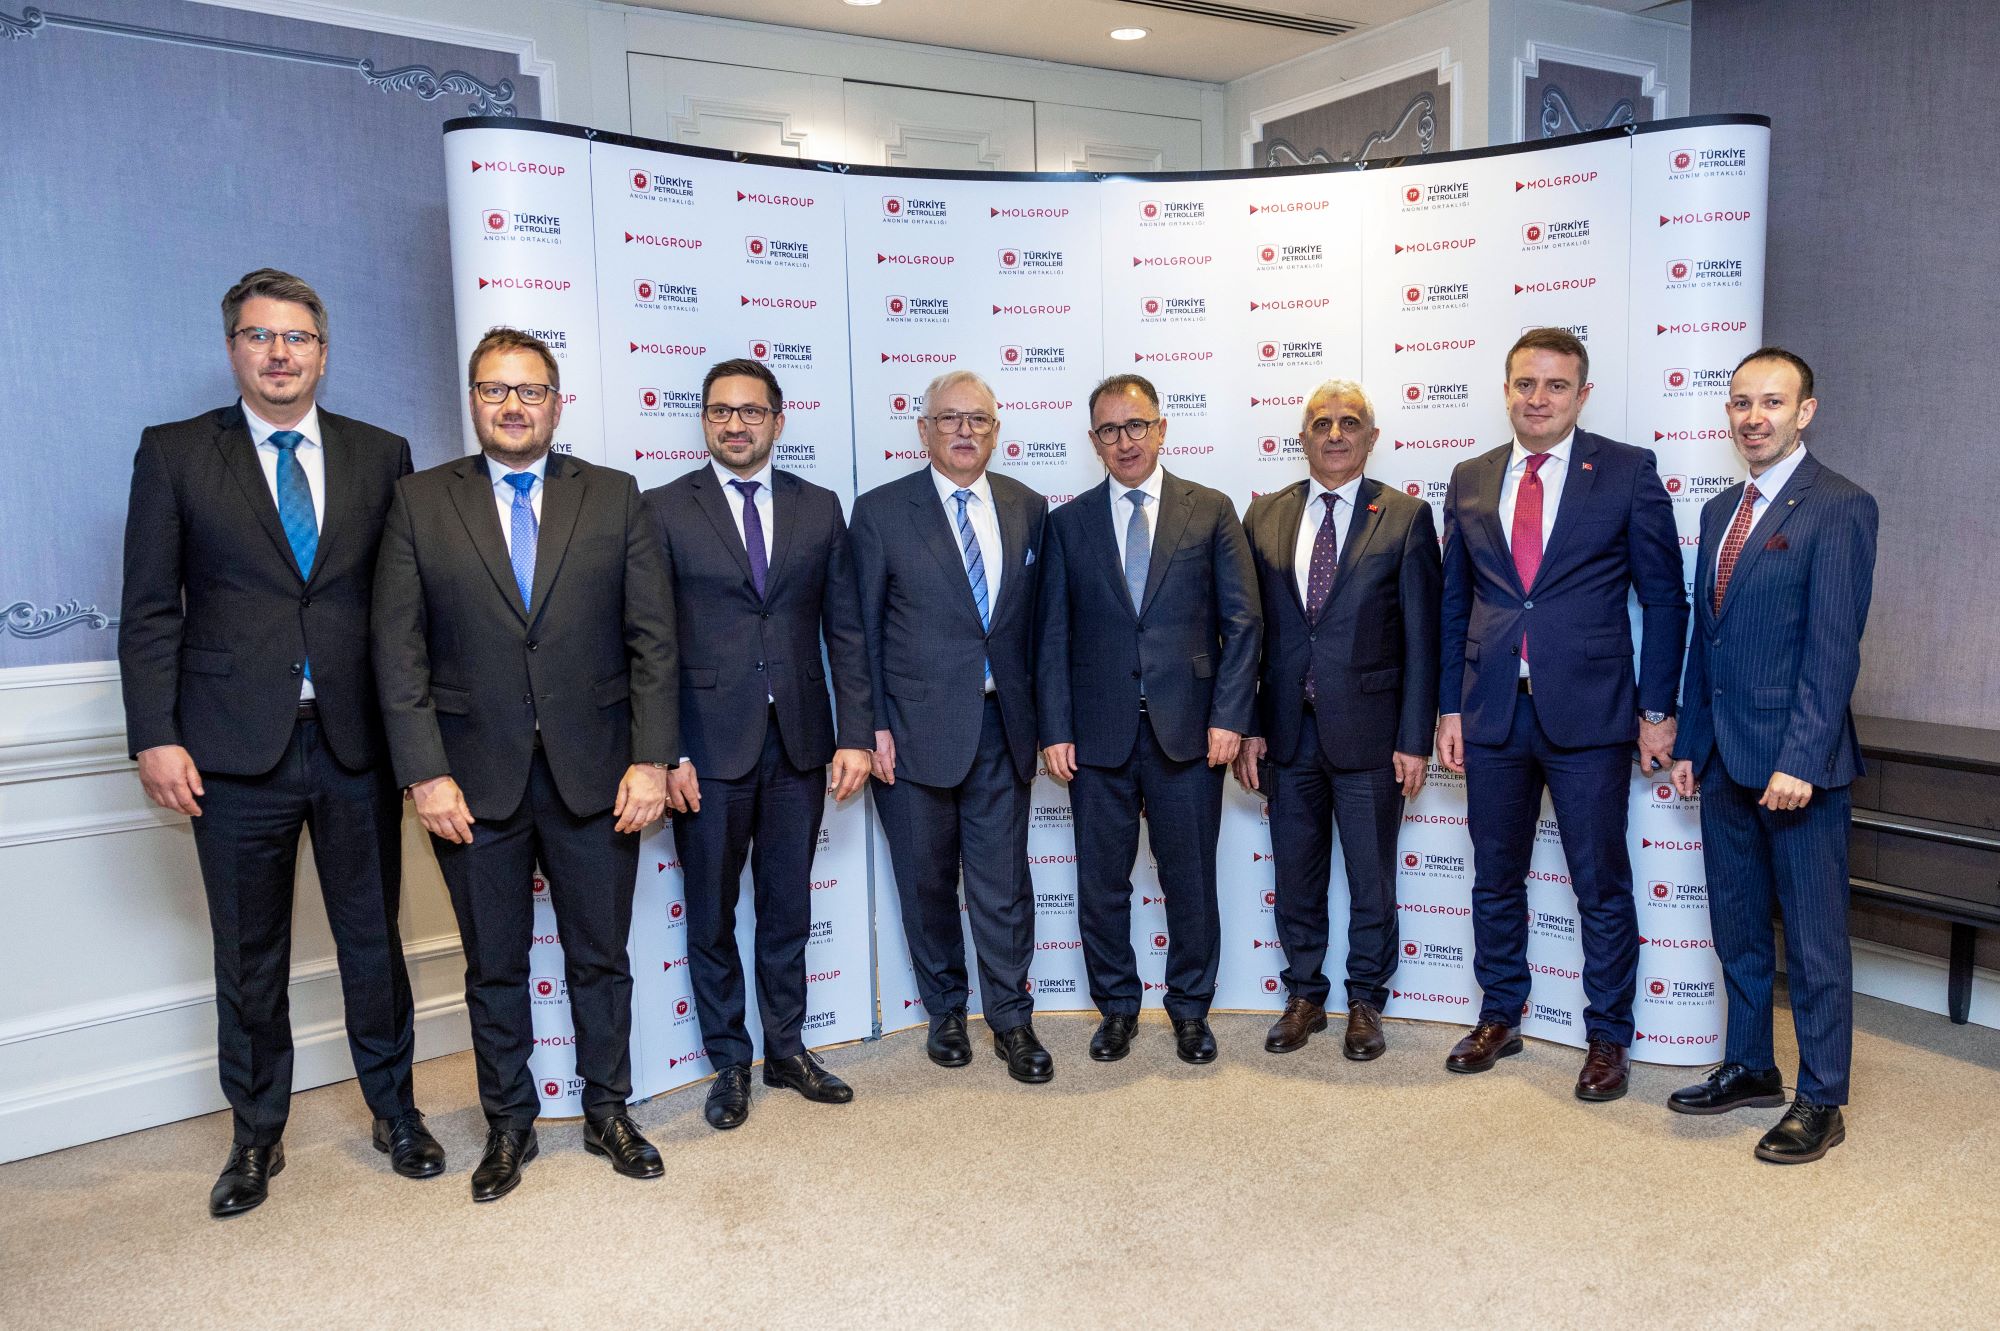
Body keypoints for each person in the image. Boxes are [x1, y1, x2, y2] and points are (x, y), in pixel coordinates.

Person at [119, 268, 437, 1217]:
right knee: (249, 955)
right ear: (233, 349)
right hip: (229, 752)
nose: (280, 353)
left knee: (373, 942)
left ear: (323, 354)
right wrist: (155, 734)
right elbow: (149, 609)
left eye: (297, 337)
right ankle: (257, 1134)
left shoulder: (381, 454)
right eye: (260, 336)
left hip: (354, 744)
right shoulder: (175, 453)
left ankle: (396, 1112)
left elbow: (405, 608)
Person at [372, 327, 675, 1201]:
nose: (513, 405)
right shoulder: (419, 501)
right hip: (469, 782)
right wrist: (424, 772)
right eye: (495, 390)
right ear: (473, 401)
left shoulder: (614, 495)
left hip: (598, 774)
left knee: (601, 958)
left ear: (556, 402)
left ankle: (608, 1109)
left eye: (530, 390)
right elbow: (398, 650)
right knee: (494, 965)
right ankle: (509, 1122)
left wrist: (651, 759)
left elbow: (654, 640)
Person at [1436, 327, 1687, 1100]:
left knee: (1600, 885)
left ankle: (1608, 1035)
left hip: (1592, 714)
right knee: (1494, 878)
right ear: (1506, 389)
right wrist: (1448, 706)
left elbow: (1664, 599)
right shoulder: (1471, 476)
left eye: (1554, 385)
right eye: (1525, 383)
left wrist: (1657, 708)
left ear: (1582, 394)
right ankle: (1499, 1015)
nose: (1537, 398)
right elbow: (1454, 603)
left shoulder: (1626, 471)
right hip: (1493, 713)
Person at [643, 358, 873, 1130]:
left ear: (778, 419)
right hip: (705, 750)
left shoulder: (819, 506)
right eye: (720, 411)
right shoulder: (663, 508)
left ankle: (787, 1047)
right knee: (710, 914)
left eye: (750, 411)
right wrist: (667, 750)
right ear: (704, 421)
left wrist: (854, 735)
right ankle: (729, 1063)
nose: (734, 424)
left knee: (787, 907)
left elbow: (846, 630)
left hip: (800, 742)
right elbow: (652, 643)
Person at [1668, 347, 1877, 1164]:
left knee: (1815, 944)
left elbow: (1833, 649)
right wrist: (1691, 743)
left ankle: (1822, 1097)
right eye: (1741, 402)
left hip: (1798, 769)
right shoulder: (1722, 508)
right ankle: (1752, 1063)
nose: (1753, 417)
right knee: (1740, 928)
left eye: (1772, 402)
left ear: (1805, 411)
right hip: (1723, 759)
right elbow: (1707, 640)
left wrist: (1802, 757)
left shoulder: (1840, 505)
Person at [1037, 374, 1259, 1064]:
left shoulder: (1210, 509)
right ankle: (1117, 1008)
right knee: (1101, 884)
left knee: (1189, 879)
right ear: (1094, 441)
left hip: (1189, 733)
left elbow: (1243, 623)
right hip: (1096, 736)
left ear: (1161, 429)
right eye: (1110, 430)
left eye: (1136, 425)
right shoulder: (1067, 523)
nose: (1125, 441)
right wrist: (1055, 727)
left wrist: (1230, 715)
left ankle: (1190, 1009)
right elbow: (1051, 636)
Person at [850, 370, 1053, 1083]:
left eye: (979, 420)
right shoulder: (880, 511)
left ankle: (1012, 1019)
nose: (965, 431)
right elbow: (858, 630)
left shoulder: (1028, 507)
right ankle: (945, 1011)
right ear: (924, 429)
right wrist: (869, 726)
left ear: (996, 431)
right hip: (908, 733)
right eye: (949, 418)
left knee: (1004, 885)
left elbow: (1043, 628)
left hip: (1004, 726)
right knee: (926, 881)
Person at [1233, 380, 1441, 1061]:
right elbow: (1249, 634)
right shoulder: (1264, 515)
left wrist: (1414, 738)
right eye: (1321, 422)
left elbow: (1423, 639)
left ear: (1371, 438)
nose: (1334, 434)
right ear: (1302, 436)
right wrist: (1250, 723)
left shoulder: (1405, 517)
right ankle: (1304, 995)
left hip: (1373, 736)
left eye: (1349, 422)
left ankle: (1365, 999)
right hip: (1287, 734)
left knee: (1372, 878)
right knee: (1296, 875)